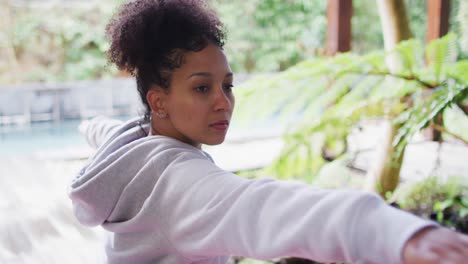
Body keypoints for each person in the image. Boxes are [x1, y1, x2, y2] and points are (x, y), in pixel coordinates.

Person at [68, 1, 468, 263]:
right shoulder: (181, 183)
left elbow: (102, 132)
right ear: (159, 102)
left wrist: (86, 126)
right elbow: (266, 206)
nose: (224, 101)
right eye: (202, 87)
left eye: (228, 85)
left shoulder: (132, 146)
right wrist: (397, 235)